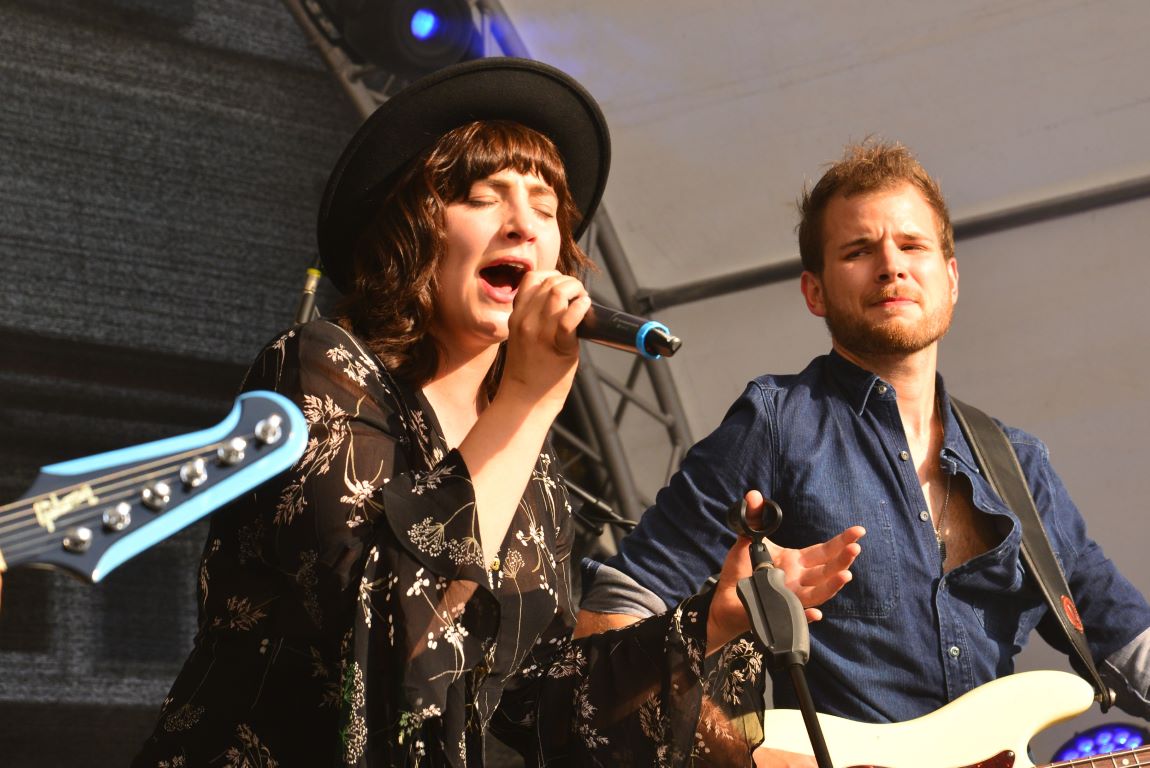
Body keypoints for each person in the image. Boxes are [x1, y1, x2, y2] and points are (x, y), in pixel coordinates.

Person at [130, 58, 862, 767]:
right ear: (414, 228)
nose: (524, 225)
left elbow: (546, 707)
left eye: (546, 208)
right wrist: (527, 399)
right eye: (484, 197)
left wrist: (712, 619)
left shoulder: (529, 465)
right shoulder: (319, 366)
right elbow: (383, 632)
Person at [577, 140, 1150, 760]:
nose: (890, 266)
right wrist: (749, 757)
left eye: (913, 245)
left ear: (952, 279)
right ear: (814, 292)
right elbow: (614, 617)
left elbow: (1127, 642)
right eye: (858, 251)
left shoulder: (1019, 465)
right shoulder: (775, 425)